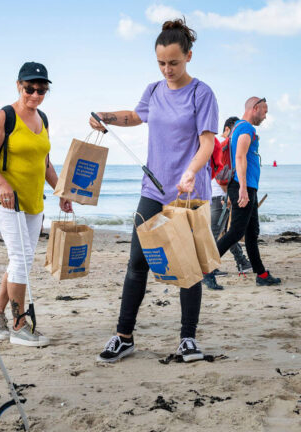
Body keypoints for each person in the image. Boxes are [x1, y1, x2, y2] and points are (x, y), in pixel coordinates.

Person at [90, 19, 218, 363]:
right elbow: (136, 116)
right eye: (161, 63)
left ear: (188, 56)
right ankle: (123, 337)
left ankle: (188, 339)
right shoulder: (154, 90)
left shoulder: (201, 93)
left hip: (188, 192)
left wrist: (191, 172)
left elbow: (208, 143)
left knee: (187, 266)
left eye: (174, 63)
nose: (167, 70)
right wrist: (106, 116)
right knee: (137, 262)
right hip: (153, 189)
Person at [0, 62, 72, 347]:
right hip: (7, 200)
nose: (35, 94)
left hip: (34, 201)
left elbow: (44, 162)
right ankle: (19, 325)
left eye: (41, 89)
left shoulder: (42, 118)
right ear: (18, 85)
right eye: (29, 88)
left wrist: (61, 191)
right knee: (21, 259)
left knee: (21, 259)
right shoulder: (5, 116)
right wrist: (4, 185)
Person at [216, 97, 282, 286]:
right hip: (243, 186)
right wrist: (243, 189)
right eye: (265, 111)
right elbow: (239, 156)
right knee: (235, 232)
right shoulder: (246, 128)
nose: (265, 116)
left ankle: (261, 275)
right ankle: (205, 269)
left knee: (252, 233)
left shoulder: (238, 127)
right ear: (255, 108)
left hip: (247, 186)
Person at [203, 116, 252, 290]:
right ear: (227, 129)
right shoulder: (225, 146)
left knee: (225, 233)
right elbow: (222, 176)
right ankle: (211, 267)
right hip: (220, 196)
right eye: (233, 130)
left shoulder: (220, 145)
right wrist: (229, 196)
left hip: (217, 196)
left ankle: (241, 262)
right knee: (217, 233)